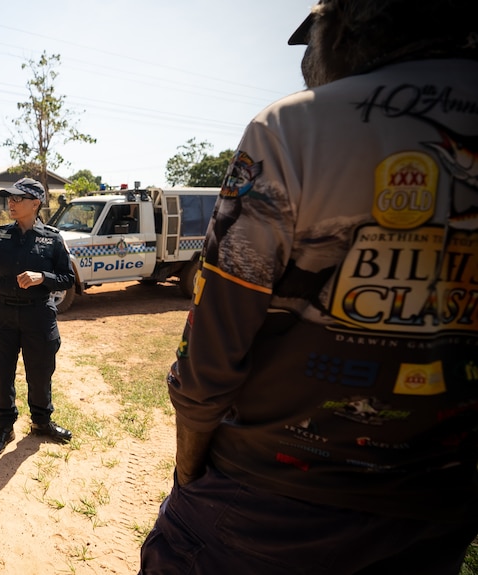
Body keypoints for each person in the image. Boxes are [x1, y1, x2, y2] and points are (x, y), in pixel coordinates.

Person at [139, 1, 478, 573]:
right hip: (435, 508)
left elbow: (212, 352)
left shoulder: (295, 127)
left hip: (271, 496)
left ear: (339, 26)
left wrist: (189, 467)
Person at [0, 178, 76, 456]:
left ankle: (41, 422)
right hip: (2, 313)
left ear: (36, 203)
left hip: (38, 314)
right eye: (10, 198)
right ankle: (4, 427)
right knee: (1, 374)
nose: (11, 203)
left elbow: (67, 278)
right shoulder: (0, 235)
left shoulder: (52, 238)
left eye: (18, 198)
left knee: (40, 373)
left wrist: (43, 277)